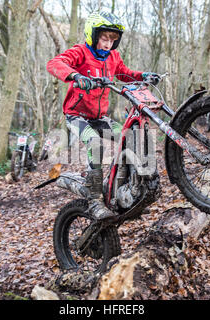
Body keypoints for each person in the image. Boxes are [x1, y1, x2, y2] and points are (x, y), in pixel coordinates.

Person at [47, 11, 160, 220]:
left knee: (130, 137)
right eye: (105, 38)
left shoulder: (113, 57)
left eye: (112, 40)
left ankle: (128, 193)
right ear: (93, 34)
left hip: (100, 117)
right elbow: (54, 63)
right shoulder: (81, 52)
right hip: (77, 116)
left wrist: (144, 76)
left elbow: (124, 73)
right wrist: (75, 75)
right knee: (94, 144)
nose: (108, 44)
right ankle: (94, 201)